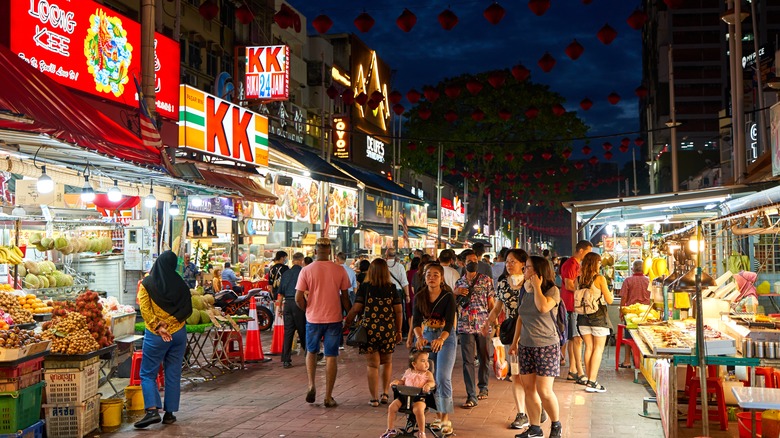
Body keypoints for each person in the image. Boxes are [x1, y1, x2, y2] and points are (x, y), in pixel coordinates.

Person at [135, 251, 192, 428]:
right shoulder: (181, 284)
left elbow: (144, 309)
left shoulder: (147, 283)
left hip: (157, 336)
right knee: (173, 373)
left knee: (147, 373)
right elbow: (187, 309)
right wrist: (172, 323)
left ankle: (152, 410)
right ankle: (169, 414)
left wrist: (159, 327)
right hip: (179, 334)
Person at [509, 255, 563, 438]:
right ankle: (535, 428)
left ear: (539, 271)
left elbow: (542, 308)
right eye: (525, 268)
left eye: (529, 268)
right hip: (526, 345)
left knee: (544, 390)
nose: (525, 271)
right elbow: (521, 317)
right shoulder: (525, 290)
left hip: (546, 345)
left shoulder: (552, 290)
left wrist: (538, 287)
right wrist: (515, 342)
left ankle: (556, 425)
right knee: (528, 388)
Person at [295, 238, 351, 408]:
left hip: (313, 319)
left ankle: (311, 384)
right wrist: (349, 317)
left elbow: (298, 298)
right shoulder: (339, 270)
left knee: (311, 352)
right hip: (334, 319)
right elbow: (346, 298)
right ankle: (328, 396)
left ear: (315, 250)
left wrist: (308, 309)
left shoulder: (306, 270)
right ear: (330, 251)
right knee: (331, 355)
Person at [345, 259, 403, 407]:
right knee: (387, 362)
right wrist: (399, 330)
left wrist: (347, 321)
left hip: (369, 330)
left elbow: (357, 308)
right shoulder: (392, 288)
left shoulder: (366, 287)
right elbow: (398, 311)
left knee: (372, 365)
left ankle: (374, 398)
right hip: (388, 329)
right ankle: (385, 393)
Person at [482, 249, 531, 429]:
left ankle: (536, 404)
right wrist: (488, 323)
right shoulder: (502, 283)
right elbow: (497, 308)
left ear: (523, 264)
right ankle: (521, 413)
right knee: (516, 374)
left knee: (531, 376)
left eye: (513, 262)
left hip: (532, 332)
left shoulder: (531, 283)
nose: (509, 265)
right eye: (507, 262)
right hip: (511, 333)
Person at [413, 264, 457, 436]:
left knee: (443, 377)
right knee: (429, 377)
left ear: (441, 277)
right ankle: (437, 417)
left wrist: (441, 339)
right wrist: (419, 337)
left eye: (436, 275)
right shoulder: (420, 296)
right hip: (427, 336)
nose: (432, 277)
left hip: (446, 337)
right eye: (429, 274)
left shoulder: (448, 296)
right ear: (424, 277)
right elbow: (416, 321)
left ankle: (446, 418)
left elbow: (449, 322)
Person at [454, 251, 494, 408]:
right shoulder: (459, 283)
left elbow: (491, 302)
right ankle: (471, 394)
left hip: (483, 324)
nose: (473, 263)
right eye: (470, 260)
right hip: (465, 325)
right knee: (467, 361)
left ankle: (483, 387)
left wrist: (494, 322)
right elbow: (453, 303)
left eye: (475, 260)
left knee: (484, 357)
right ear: (463, 263)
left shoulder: (486, 280)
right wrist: (455, 293)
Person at [577, 252, 614, 393]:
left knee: (589, 348)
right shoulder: (599, 278)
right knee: (598, 349)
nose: (600, 264)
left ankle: (589, 379)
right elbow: (610, 300)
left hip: (582, 317)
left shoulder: (579, 279)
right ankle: (592, 382)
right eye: (599, 262)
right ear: (594, 263)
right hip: (598, 316)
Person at [380, 350, 436, 438]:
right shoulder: (409, 372)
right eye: (423, 361)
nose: (426, 363)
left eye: (427, 360)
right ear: (414, 364)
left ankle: (421, 432)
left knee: (418, 410)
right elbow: (403, 381)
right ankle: (390, 429)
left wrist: (428, 385)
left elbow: (432, 382)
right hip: (404, 397)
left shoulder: (428, 374)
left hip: (419, 398)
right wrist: (397, 382)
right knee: (392, 407)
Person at [561, 240, 593, 385]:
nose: (588, 255)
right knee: (576, 339)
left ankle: (573, 370)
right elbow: (569, 284)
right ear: (581, 251)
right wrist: (584, 291)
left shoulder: (576, 265)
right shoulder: (571, 264)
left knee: (575, 339)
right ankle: (579, 371)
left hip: (575, 305)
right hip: (571, 305)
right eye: (588, 252)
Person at [619, 260, 650, 368]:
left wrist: (621, 311)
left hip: (631, 314)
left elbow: (623, 298)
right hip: (646, 313)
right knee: (645, 338)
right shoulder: (648, 280)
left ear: (633, 269)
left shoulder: (628, 280)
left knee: (629, 337)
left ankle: (627, 361)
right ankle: (643, 363)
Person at [277, 252, 306, 369]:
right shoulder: (303, 272)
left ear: (293, 260)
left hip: (287, 304)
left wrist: (279, 307)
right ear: (301, 261)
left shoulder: (286, 273)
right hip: (299, 302)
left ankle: (286, 359)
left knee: (288, 331)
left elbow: (281, 293)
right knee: (302, 329)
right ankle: (309, 354)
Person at [386, 248, 411, 337]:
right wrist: (407, 295)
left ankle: (388, 331)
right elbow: (404, 282)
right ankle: (400, 332)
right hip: (397, 292)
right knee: (399, 312)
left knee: (387, 312)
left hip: (385, 292)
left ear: (386, 254)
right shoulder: (400, 266)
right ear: (395, 255)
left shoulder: (383, 266)